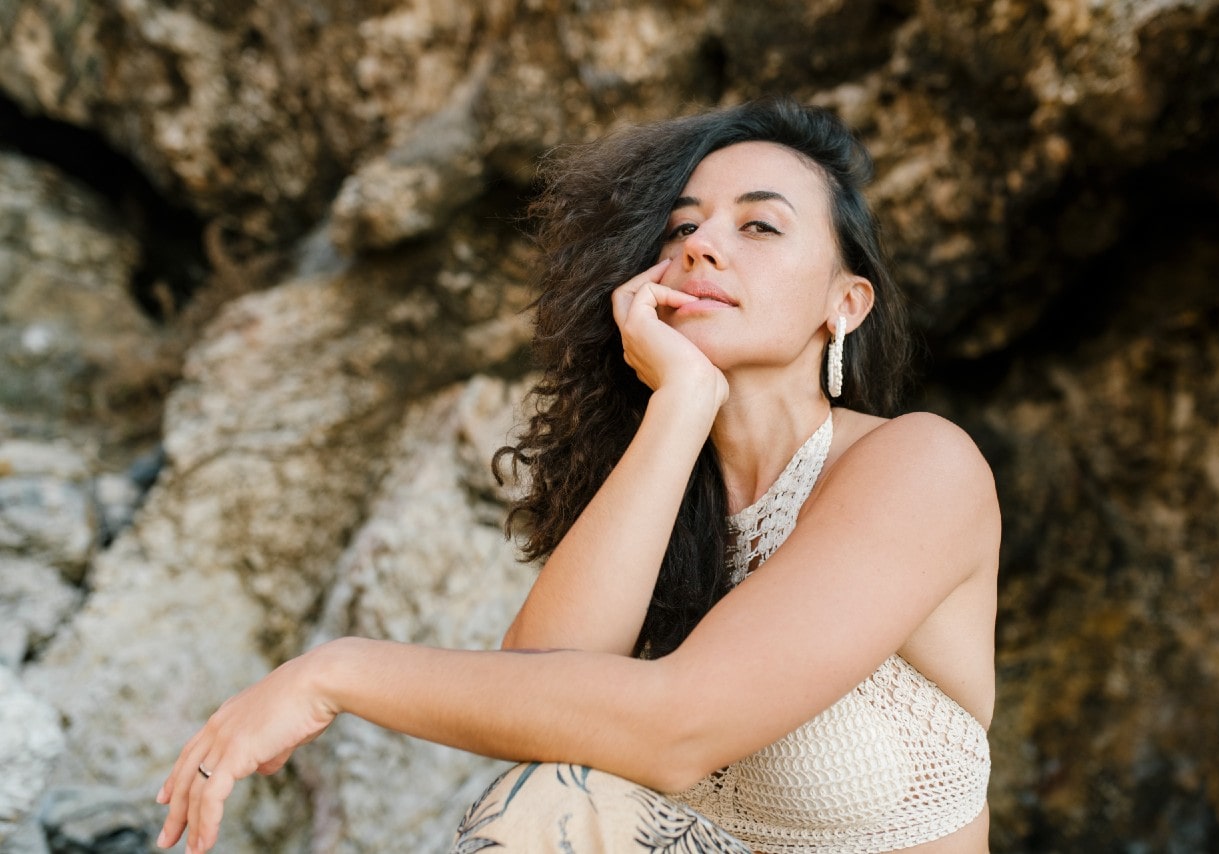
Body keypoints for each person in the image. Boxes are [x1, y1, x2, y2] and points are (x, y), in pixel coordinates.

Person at [156, 96, 999, 854]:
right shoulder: (668, 496)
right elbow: (540, 702)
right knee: (551, 795)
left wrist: (332, 673)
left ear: (844, 304)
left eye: (759, 227)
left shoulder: (919, 466)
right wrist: (681, 406)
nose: (703, 245)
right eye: (681, 229)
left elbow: (680, 726)